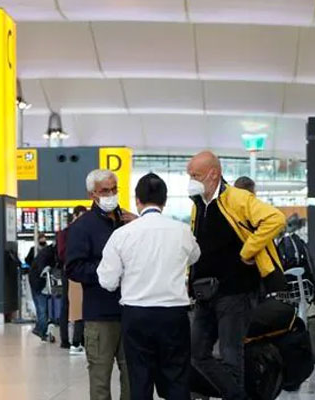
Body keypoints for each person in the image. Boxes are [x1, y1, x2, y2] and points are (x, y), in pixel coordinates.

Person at [187, 151, 285, 400]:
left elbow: (275, 219)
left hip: (235, 292)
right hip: (205, 293)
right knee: (197, 353)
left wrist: (248, 251)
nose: (191, 180)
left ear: (213, 174)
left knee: (231, 355)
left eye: (195, 175)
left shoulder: (237, 198)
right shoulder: (198, 205)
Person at [98, 173, 201, 400]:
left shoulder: (121, 234)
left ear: (137, 200)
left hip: (137, 315)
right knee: (177, 379)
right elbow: (195, 256)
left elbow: (107, 281)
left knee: (140, 381)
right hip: (174, 315)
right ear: (165, 201)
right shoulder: (182, 231)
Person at [66, 169, 136, 400]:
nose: (111, 195)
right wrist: (107, 271)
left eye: (114, 189)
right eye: (105, 191)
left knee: (133, 377)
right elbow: (73, 268)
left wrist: (140, 224)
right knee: (100, 379)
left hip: (131, 311)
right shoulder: (82, 227)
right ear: (92, 194)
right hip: (100, 315)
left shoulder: (129, 222)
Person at [57, 205, 88, 354]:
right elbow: (62, 253)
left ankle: (78, 339)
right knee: (69, 304)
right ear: (74, 216)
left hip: (80, 270)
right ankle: (69, 340)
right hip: (70, 271)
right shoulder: (65, 233)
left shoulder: (84, 232)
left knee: (79, 305)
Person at [29, 242, 58, 341]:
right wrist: (46, 269)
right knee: (42, 309)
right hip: (38, 284)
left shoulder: (48, 252)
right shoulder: (46, 254)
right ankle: (40, 330)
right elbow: (41, 267)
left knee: (43, 309)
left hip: (39, 283)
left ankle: (42, 330)